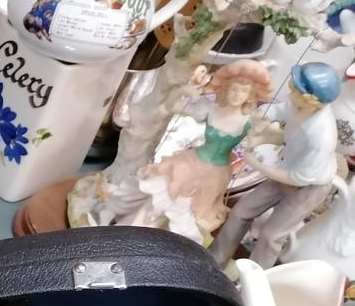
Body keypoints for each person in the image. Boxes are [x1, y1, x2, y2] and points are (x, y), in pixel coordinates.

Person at [208, 61, 342, 267]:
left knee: (271, 236)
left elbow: (298, 178)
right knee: (241, 212)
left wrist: (255, 164)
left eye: (295, 91)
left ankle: (252, 283)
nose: (290, 94)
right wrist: (262, 117)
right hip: (286, 168)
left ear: (312, 100)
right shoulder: (300, 105)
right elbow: (281, 111)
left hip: (308, 186)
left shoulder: (321, 137)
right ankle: (215, 260)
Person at [130, 60, 274, 243]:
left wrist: (264, 136)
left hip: (216, 172)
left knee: (188, 211)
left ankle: (167, 243)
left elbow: (267, 138)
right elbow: (176, 107)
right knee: (162, 193)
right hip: (192, 161)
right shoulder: (211, 109)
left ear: (250, 95)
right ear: (226, 89)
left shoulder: (249, 121)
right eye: (234, 89)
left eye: (243, 91)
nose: (237, 95)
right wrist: (181, 91)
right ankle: (137, 232)